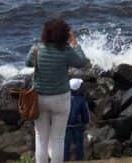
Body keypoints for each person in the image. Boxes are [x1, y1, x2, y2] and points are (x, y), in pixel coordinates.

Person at [26, 18, 89, 163]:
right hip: (61, 98)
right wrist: (75, 43)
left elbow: (28, 62)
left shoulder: (37, 48)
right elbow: (82, 62)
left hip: (40, 98)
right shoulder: (66, 51)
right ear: (64, 35)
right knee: (58, 139)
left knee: (41, 138)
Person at [64, 78, 91, 161]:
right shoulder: (81, 100)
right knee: (79, 145)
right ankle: (79, 160)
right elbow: (85, 115)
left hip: (66, 126)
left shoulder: (65, 98)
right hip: (78, 126)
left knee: (66, 145)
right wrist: (86, 122)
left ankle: (65, 160)